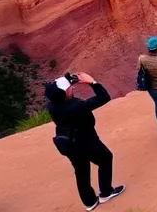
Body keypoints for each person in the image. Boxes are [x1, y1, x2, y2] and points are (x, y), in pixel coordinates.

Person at [45, 72, 125, 211]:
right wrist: (91, 82)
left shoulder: (53, 106)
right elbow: (103, 97)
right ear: (63, 94)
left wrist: (71, 80)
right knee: (106, 158)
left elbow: (57, 92)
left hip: (69, 144)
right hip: (86, 140)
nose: (72, 88)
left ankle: (89, 202)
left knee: (81, 171)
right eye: (69, 88)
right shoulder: (75, 107)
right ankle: (106, 193)